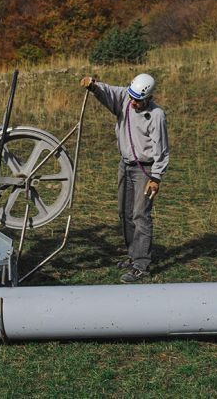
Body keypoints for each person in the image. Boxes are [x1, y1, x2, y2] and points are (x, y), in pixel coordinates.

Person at [80, 72, 169, 283]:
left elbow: (162, 150)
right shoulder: (126, 98)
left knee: (141, 215)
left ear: (148, 98)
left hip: (145, 171)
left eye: (139, 101)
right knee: (125, 213)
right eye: (133, 98)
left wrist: (155, 178)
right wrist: (93, 86)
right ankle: (132, 255)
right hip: (125, 166)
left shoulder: (157, 115)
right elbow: (108, 91)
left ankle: (141, 265)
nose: (134, 103)